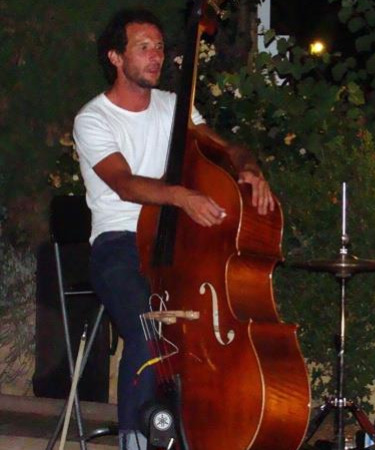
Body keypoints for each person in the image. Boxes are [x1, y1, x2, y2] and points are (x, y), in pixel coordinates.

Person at [72, 8, 273, 449]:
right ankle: (136, 442)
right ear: (115, 57)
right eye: (143, 47)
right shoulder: (94, 118)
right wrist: (181, 196)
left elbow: (226, 148)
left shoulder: (175, 108)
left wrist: (249, 168)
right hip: (120, 244)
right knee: (150, 329)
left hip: (178, 243)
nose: (156, 55)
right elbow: (124, 184)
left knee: (203, 334)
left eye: (159, 47)